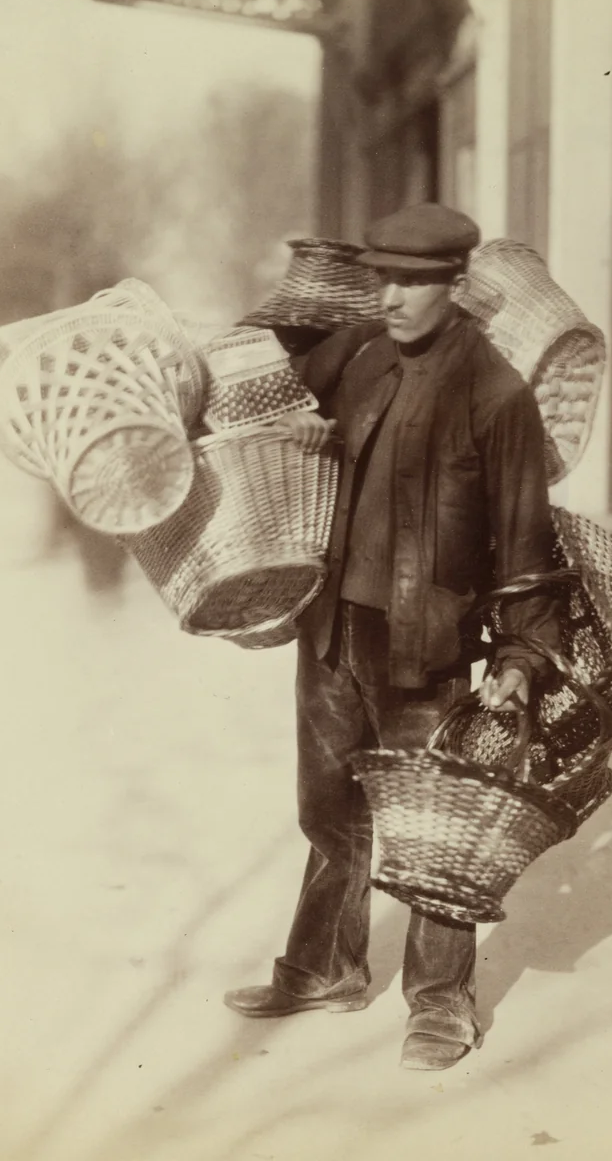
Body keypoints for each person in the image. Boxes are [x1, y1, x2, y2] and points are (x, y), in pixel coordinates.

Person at [223, 203, 562, 1071]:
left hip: (427, 644)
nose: (393, 296)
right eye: (381, 278)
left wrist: (521, 659)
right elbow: (275, 378)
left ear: (455, 285)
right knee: (326, 808)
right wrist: (305, 428)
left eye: (413, 281)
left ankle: (441, 1004)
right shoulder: (363, 353)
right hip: (334, 621)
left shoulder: (496, 395)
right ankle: (323, 968)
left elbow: (527, 548)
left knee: (431, 829)